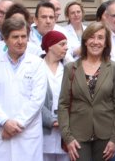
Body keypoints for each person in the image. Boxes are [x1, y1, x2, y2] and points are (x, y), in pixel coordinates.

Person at [0, 16, 48, 161]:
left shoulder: (37, 64)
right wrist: (4, 122)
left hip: (27, 134)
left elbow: (37, 100)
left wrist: (15, 125)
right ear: (5, 39)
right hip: (1, 131)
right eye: (15, 37)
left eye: (24, 36)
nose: (20, 41)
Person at [59, 22, 115, 161]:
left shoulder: (114, 69)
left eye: (100, 38)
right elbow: (63, 105)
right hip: (78, 136)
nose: (96, 42)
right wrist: (67, 137)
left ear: (106, 43)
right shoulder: (71, 68)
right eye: (91, 37)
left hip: (106, 136)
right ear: (85, 40)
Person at [40, 30, 71, 161]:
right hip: (43, 132)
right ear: (50, 45)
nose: (66, 47)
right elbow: (33, 99)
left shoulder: (69, 69)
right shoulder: (36, 67)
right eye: (62, 44)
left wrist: (65, 121)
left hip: (65, 132)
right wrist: (50, 120)